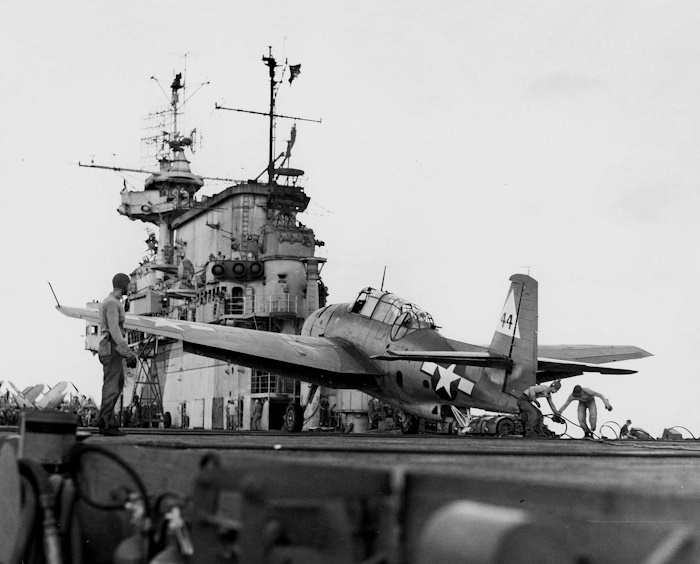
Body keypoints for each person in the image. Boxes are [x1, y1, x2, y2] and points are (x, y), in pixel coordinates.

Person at [97, 273, 138, 436]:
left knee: (116, 384)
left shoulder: (110, 302)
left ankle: (108, 421)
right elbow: (114, 330)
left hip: (111, 347)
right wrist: (127, 353)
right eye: (129, 284)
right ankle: (106, 423)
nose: (131, 287)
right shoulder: (112, 304)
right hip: (112, 347)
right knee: (112, 386)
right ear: (123, 285)